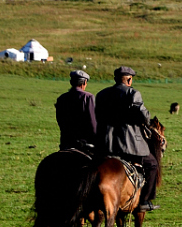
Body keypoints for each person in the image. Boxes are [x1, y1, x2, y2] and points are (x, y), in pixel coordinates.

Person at [94, 65, 160, 209]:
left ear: (115, 79)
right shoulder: (132, 93)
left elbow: (97, 116)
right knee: (152, 164)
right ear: (129, 79)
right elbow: (144, 115)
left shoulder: (101, 94)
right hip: (128, 145)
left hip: (104, 143)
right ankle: (144, 201)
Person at [54, 69, 99, 155]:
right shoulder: (88, 97)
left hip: (66, 142)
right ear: (85, 82)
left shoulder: (61, 98)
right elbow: (92, 122)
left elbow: (60, 121)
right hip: (84, 144)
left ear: (71, 82)